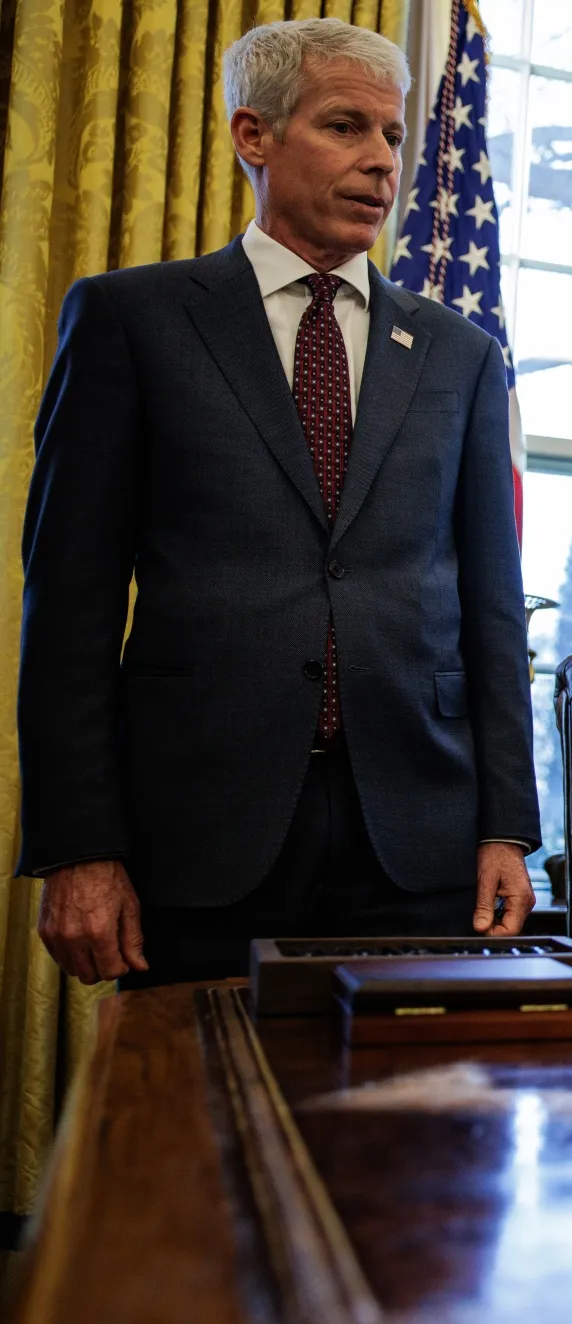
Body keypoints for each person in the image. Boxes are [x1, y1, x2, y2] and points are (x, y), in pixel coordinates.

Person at [22, 18, 539, 988]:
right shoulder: (132, 320)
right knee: (187, 1126)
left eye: (391, 136)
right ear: (251, 135)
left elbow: (491, 608)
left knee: (401, 1133)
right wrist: (79, 845)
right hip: (199, 833)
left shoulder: (459, 356)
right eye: (345, 126)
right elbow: (71, 604)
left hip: (416, 840)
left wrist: (507, 821)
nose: (380, 162)